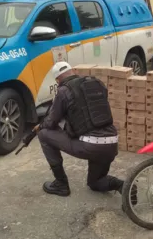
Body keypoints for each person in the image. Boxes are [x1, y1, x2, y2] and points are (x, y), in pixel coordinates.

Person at [34, 62, 124, 197]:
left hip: (91, 145)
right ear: (73, 71)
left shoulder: (63, 91)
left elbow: (51, 122)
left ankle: (61, 184)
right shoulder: (96, 83)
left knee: (44, 134)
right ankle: (123, 185)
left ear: (58, 80)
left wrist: (39, 126)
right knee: (95, 183)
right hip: (111, 144)